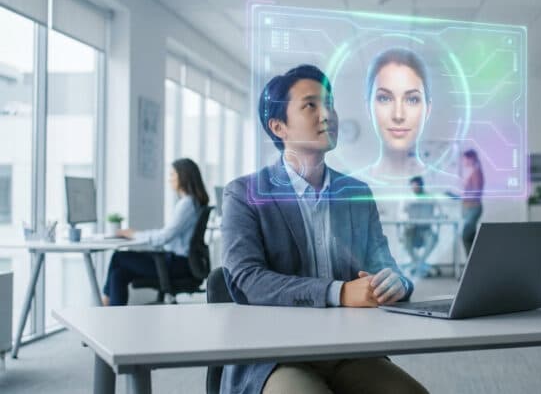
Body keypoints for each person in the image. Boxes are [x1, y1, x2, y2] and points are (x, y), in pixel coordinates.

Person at [220, 64, 427, 394]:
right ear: (278, 126)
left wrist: (396, 283)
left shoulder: (356, 193)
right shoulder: (244, 194)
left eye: (329, 103)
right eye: (310, 105)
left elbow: (384, 264)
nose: (327, 114)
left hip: (347, 348)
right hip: (274, 354)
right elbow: (246, 281)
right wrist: (340, 292)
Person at [101, 158, 207, 306]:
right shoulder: (194, 203)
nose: (169, 179)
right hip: (177, 261)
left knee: (119, 257)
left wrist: (134, 234)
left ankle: (104, 304)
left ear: (183, 176)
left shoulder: (187, 204)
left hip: (176, 264)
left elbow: (164, 237)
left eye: (172, 175)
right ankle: (113, 317)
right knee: (118, 275)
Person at [356, 47, 457, 184]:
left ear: (427, 110)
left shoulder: (447, 186)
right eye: (385, 98)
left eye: (412, 100)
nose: (398, 115)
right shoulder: (350, 186)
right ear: (369, 108)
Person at [400, 176, 441, 277]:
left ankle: (418, 264)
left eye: (417, 186)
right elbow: (400, 214)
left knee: (433, 237)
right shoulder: (406, 198)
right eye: (413, 187)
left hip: (426, 230)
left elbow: (439, 212)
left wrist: (433, 217)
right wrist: (407, 219)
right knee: (405, 237)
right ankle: (419, 263)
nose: (415, 189)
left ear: (422, 186)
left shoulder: (430, 197)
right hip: (411, 230)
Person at [460, 149, 484, 255]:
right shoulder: (473, 172)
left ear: (471, 159)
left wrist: (464, 197)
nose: (463, 162)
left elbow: (476, 193)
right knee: (471, 237)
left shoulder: (476, 173)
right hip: (469, 207)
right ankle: (472, 262)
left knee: (466, 236)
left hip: (473, 207)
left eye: (465, 159)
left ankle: (470, 263)